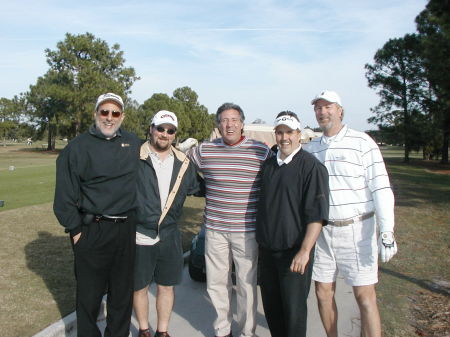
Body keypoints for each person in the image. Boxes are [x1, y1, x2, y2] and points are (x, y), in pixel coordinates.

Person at [303, 90, 398, 337]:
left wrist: (387, 231)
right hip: (322, 233)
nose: (322, 112)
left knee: (365, 297)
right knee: (323, 293)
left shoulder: (362, 142)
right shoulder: (311, 149)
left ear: (340, 110)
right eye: (318, 108)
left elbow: (381, 187)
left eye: (328, 107)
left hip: (358, 230)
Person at [53, 92, 141, 337]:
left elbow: (163, 155)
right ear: (95, 114)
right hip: (92, 231)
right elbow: (63, 198)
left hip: (125, 230)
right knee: (89, 298)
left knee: (122, 296)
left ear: (122, 116)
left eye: (115, 113)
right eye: (104, 112)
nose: (109, 118)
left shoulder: (134, 144)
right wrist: (76, 231)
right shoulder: (77, 148)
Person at [188, 103, 271, 337]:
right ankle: (222, 329)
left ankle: (247, 331)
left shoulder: (260, 151)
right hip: (215, 229)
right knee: (216, 283)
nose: (229, 124)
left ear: (242, 123)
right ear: (218, 124)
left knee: (246, 285)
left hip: (247, 231)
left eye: (234, 119)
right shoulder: (205, 151)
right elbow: (181, 161)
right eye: (224, 120)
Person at [256, 111, 329, 337]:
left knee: (294, 313)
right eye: (280, 132)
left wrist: (305, 251)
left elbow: (317, 215)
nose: (284, 137)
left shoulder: (311, 168)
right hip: (268, 252)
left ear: (299, 135)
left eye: (289, 132)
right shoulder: (268, 165)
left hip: (294, 254)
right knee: (272, 310)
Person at [133, 110, 202, 337]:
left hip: (170, 234)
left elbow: (205, 187)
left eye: (170, 131)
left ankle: (162, 331)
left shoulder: (184, 163)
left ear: (175, 135)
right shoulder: (135, 156)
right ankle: (144, 329)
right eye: (160, 128)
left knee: (166, 286)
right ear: (151, 129)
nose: (164, 134)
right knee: (139, 286)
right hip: (140, 232)